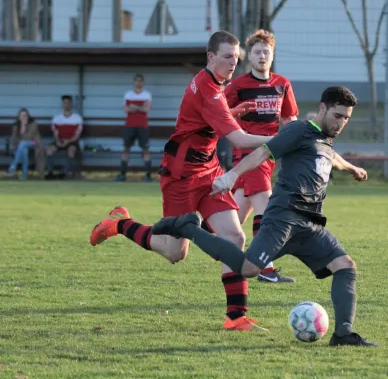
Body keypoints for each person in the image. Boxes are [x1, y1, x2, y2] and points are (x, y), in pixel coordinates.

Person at [151, 86, 378, 347]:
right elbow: (263, 152)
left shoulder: (325, 139)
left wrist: (352, 168)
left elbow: (332, 157)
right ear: (323, 108)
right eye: (338, 116)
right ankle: (189, 227)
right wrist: (232, 175)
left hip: (310, 224)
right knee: (248, 269)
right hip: (284, 218)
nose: (341, 123)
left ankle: (343, 334)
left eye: (346, 118)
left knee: (345, 267)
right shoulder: (298, 131)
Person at [89, 30, 273, 332]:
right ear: (210, 57)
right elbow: (239, 140)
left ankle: (235, 317)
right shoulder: (209, 89)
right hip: (180, 176)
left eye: (236, 57)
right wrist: (282, 139)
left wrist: (231, 112)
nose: (233, 62)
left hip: (209, 171)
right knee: (175, 253)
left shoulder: (215, 83)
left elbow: (206, 121)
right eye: (227, 56)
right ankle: (120, 223)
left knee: (235, 237)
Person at [221, 29, 298, 284]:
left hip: (270, 156)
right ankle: (266, 269)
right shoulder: (238, 85)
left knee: (233, 218)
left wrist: (296, 143)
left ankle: (196, 233)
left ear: (272, 55)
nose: (262, 56)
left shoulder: (282, 84)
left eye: (266, 51)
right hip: (248, 154)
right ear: (249, 57)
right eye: (257, 52)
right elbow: (222, 115)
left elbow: (289, 120)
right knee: (268, 213)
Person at [114, 74, 153, 182]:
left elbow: (147, 109)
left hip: (143, 126)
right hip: (129, 126)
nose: (138, 83)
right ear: (134, 82)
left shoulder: (147, 95)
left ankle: (148, 175)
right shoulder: (128, 94)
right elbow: (126, 109)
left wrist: (134, 107)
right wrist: (140, 107)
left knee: (145, 149)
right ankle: (122, 174)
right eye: (137, 80)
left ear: (143, 82)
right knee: (126, 149)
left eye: (140, 81)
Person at [45, 95, 83, 179]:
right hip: (60, 140)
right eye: (65, 103)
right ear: (62, 104)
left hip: (72, 141)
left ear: (71, 104)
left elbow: (77, 135)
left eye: (68, 103)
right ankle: (50, 172)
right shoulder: (56, 118)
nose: (66, 105)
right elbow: (55, 133)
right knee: (49, 149)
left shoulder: (77, 118)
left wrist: (68, 141)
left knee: (71, 150)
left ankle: (65, 173)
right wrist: (58, 141)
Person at [6, 108, 43, 180]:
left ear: (28, 116)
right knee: (24, 150)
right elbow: (14, 138)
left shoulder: (33, 124)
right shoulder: (16, 125)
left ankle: (13, 167)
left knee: (22, 144)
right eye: (22, 115)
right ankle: (24, 174)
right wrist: (19, 142)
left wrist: (24, 125)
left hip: (34, 143)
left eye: (25, 115)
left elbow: (29, 137)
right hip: (21, 146)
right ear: (19, 117)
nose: (23, 117)